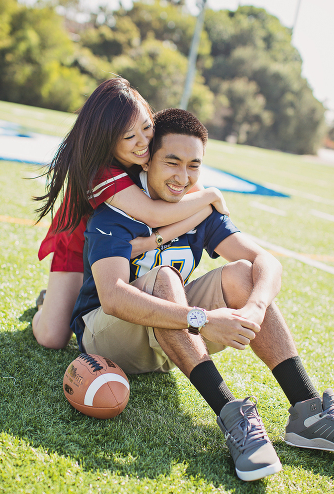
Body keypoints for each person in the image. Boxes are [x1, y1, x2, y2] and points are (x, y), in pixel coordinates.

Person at [70, 108, 334, 482]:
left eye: (194, 166)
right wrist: (203, 319)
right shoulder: (114, 213)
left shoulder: (198, 210)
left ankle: (306, 410)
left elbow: (266, 261)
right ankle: (232, 416)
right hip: (107, 339)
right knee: (164, 276)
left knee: (244, 275)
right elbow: (112, 298)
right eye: (172, 162)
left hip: (171, 340)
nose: (183, 177)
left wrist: (255, 308)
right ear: (147, 161)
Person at [33, 77, 228, 350]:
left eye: (147, 128)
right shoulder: (99, 171)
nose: (143, 142)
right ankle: (46, 304)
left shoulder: (153, 146)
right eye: (128, 137)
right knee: (52, 338)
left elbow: (191, 195)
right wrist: (210, 198)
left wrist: (201, 202)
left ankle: (62, 300)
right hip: (78, 242)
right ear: (107, 140)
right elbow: (154, 215)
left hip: (118, 244)